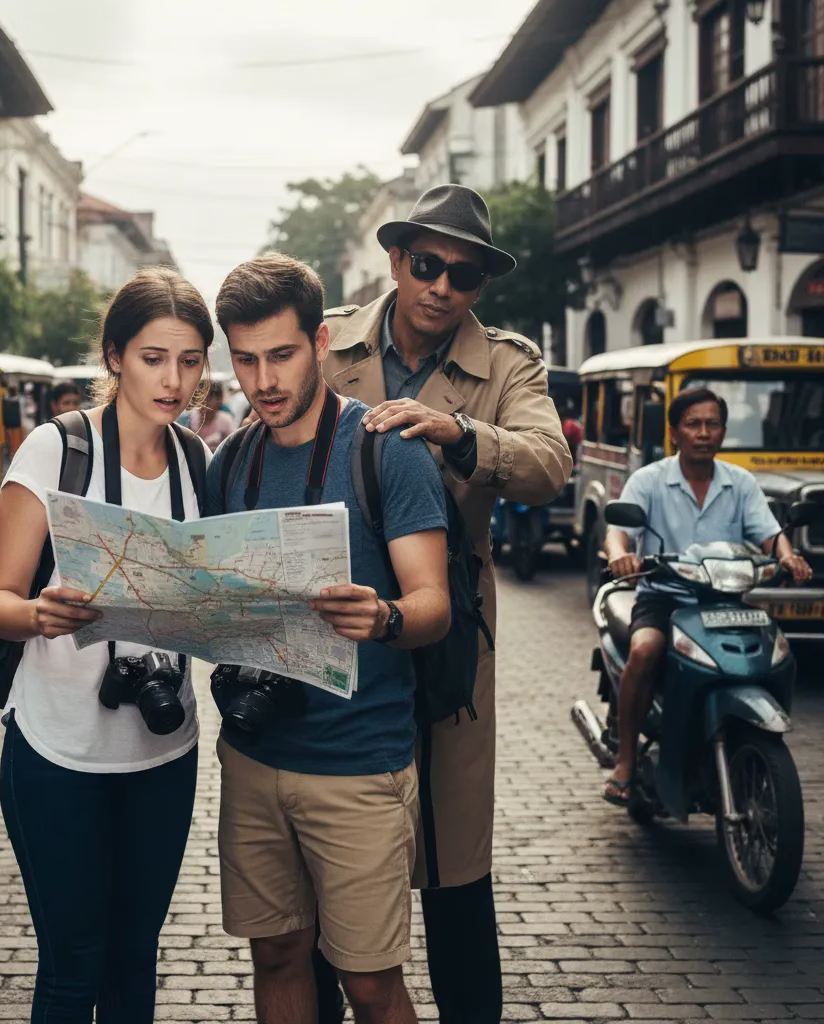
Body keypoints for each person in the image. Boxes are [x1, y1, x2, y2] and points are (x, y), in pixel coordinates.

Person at [321, 183, 573, 1024]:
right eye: (427, 264)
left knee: (454, 863)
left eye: (462, 275)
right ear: (395, 259)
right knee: (333, 857)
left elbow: (548, 463)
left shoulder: (509, 363)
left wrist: (461, 435)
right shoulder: (329, 345)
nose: (441, 286)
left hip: (451, 635)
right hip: (335, 625)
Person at [208, 253, 452, 1024]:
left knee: (370, 983)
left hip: (358, 765)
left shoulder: (387, 448)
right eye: (244, 360)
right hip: (252, 760)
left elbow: (434, 606)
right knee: (277, 955)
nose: (263, 381)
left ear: (319, 343)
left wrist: (382, 616)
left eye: (281, 355)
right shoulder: (229, 461)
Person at [0, 268, 211, 1024]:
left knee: (134, 961)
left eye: (190, 360)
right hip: (58, 751)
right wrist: (41, 613)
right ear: (114, 356)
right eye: (153, 358)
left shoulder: (197, 462)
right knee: (74, 962)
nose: (174, 380)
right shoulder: (57, 449)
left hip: (163, 750)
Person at [602, 387, 812, 805]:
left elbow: (770, 534)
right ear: (675, 432)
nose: (703, 432)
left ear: (723, 431)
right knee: (645, 650)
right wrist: (620, 555)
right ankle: (625, 761)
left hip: (725, 601)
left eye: (712, 424)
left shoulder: (740, 483)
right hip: (665, 597)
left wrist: (790, 558)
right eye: (693, 424)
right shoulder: (650, 479)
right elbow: (618, 530)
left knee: (776, 652)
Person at [189, 379, 235, 450]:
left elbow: (234, 444)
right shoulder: (189, 418)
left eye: (210, 398)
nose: (207, 403)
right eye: (202, 399)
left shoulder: (225, 420)